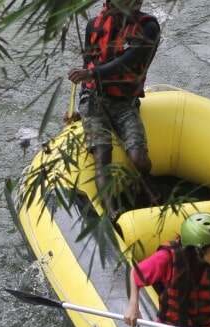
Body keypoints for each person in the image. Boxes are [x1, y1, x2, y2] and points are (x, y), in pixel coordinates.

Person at [68, 0, 162, 219]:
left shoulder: (148, 28)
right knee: (102, 154)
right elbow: (88, 63)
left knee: (138, 158)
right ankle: (112, 211)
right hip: (93, 100)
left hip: (124, 102)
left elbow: (127, 61)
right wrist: (79, 105)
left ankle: (146, 182)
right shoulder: (94, 26)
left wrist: (92, 74)